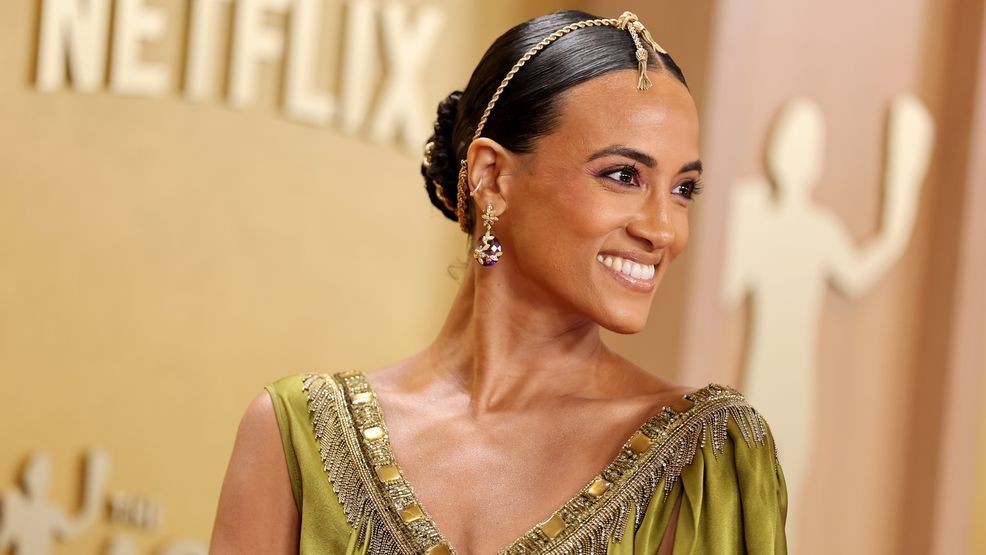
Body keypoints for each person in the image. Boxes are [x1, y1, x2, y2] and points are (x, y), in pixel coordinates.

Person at [210, 9, 788, 555]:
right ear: (492, 176)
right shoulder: (298, 435)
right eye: (623, 175)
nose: (664, 229)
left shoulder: (704, 457)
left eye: (683, 189)